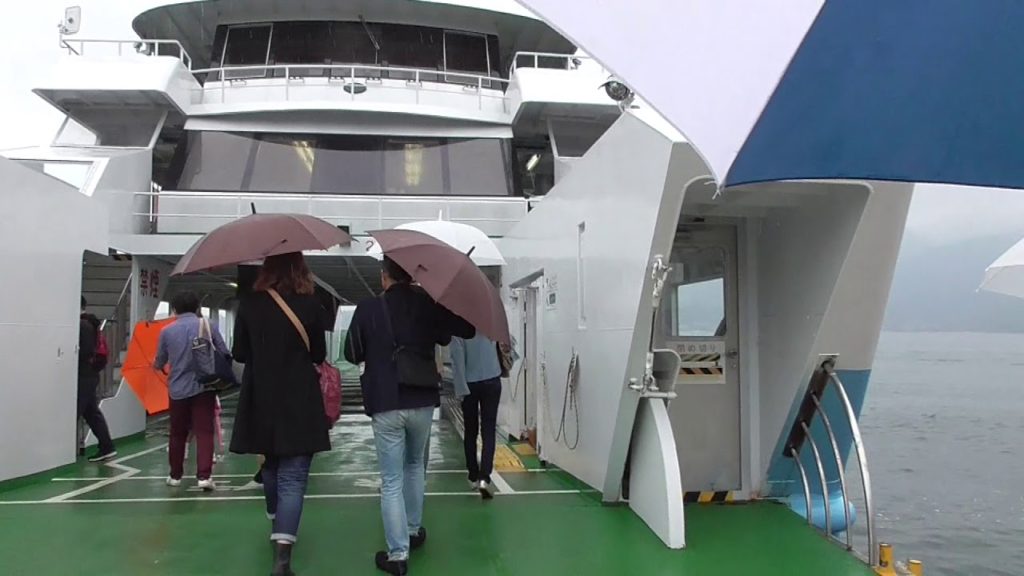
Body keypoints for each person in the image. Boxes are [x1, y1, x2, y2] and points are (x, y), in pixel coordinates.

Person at [345, 256, 474, 576]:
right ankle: (414, 530)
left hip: (386, 401)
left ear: (384, 276)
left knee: (391, 480)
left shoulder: (368, 309)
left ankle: (398, 554)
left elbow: (351, 352)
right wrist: (441, 298)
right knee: (415, 466)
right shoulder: (427, 303)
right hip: (421, 401)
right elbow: (463, 331)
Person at [230, 252, 330, 576]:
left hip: (261, 396)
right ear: (300, 269)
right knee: (295, 476)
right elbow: (319, 353)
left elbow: (240, 353)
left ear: (267, 269)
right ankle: (283, 559)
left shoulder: (249, 303)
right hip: (299, 396)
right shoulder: (312, 304)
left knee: (270, 465)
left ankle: (276, 523)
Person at [154, 291, 227, 492]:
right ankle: (204, 476)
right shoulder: (208, 326)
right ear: (197, 308)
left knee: (177, 433)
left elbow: (159, 360)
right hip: (205, 386)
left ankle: (175, 475)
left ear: (174, 309)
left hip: (177, 389)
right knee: (204, 431)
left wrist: (161, 364)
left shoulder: (167, 331)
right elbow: (224, 352)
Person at [450, 333, 503, 499]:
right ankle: (484, 477)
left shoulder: (459, 327)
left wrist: (460, 390)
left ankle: (473, 475)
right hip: (492, 379)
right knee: (488, 430)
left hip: (470, 383)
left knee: (470, 431)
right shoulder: (491, 322)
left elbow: (457, 359)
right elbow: (509, 341)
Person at [78, 296, 116, 462]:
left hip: (83, 375)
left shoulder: (82, 325)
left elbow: (84, 352)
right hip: (90, 374)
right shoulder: (90, 323)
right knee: (91, 412)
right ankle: (106, 446)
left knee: (80, 411)